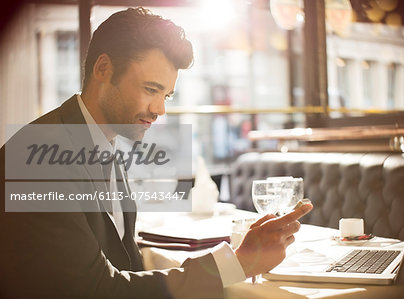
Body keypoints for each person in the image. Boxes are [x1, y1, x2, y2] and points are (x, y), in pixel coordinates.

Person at [0, 7, 312, 298]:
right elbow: (94, 288)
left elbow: (123, 265)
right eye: (150, 89)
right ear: (103, 69)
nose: (159, 109)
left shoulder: (102, 142)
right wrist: (239, 262)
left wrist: (234, 259)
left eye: (166, 95)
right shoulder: (36, 157)